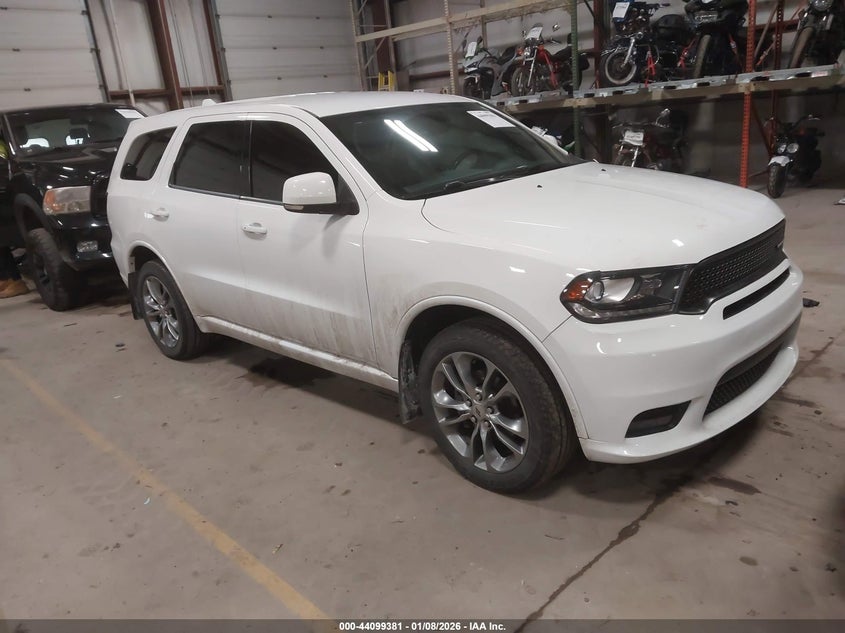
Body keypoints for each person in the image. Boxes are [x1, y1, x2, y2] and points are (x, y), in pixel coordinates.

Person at [0, 137, 29, 298]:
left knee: (2, 241)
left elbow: (2, 170)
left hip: (4, 199)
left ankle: (16, 281)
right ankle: (5, 278)